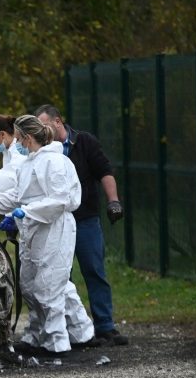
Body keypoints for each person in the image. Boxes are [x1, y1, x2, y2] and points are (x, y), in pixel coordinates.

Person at [0, 115, 95, 356]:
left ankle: (56, 343)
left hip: (55, 228)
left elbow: (60, 200)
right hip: (33, 229)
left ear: (27, 138)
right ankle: (50, 335)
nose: (16, 143)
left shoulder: (56, 162)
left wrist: (26, 212)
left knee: (49, 286)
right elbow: (17, 196)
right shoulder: (28, 163)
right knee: (29, 285)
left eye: (18, 138)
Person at [35, 104, 128, 346]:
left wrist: (113, 201)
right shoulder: (41, 150)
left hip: (85, 218)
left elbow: (104, 172)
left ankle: (105, 326)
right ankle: (71, 328)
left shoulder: (84, 142)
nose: (41, 131)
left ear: (58, 122)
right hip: (57, 223)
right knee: (61, 276)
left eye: (44, 125)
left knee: (94, 270)